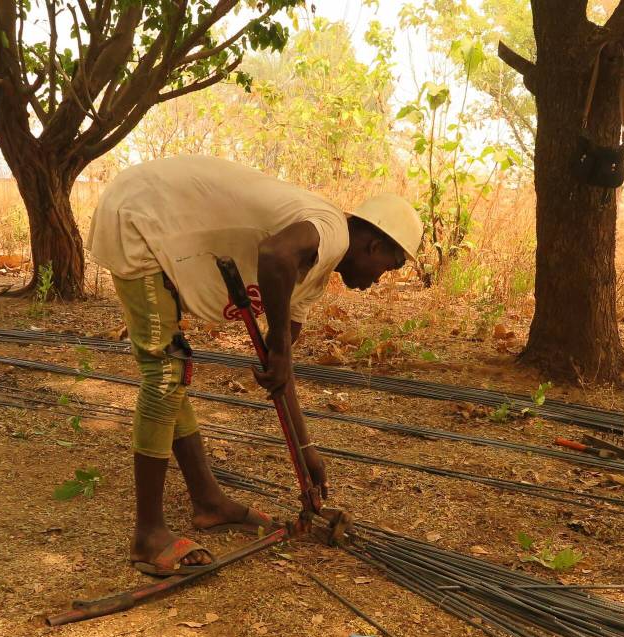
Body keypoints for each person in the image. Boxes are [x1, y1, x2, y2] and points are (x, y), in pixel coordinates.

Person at [87, 155, 422, 576]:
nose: (378, 280)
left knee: (175, 372)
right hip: (139, 215)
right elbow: (274, 252)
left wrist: (306, 450)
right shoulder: (330, 230)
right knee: (164, 372)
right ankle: (148, 534)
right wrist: (278, 338)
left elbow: (280, 370)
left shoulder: (313, 275)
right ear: (374, 246)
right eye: (387, 267)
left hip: (154, 225)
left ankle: (208, 501)